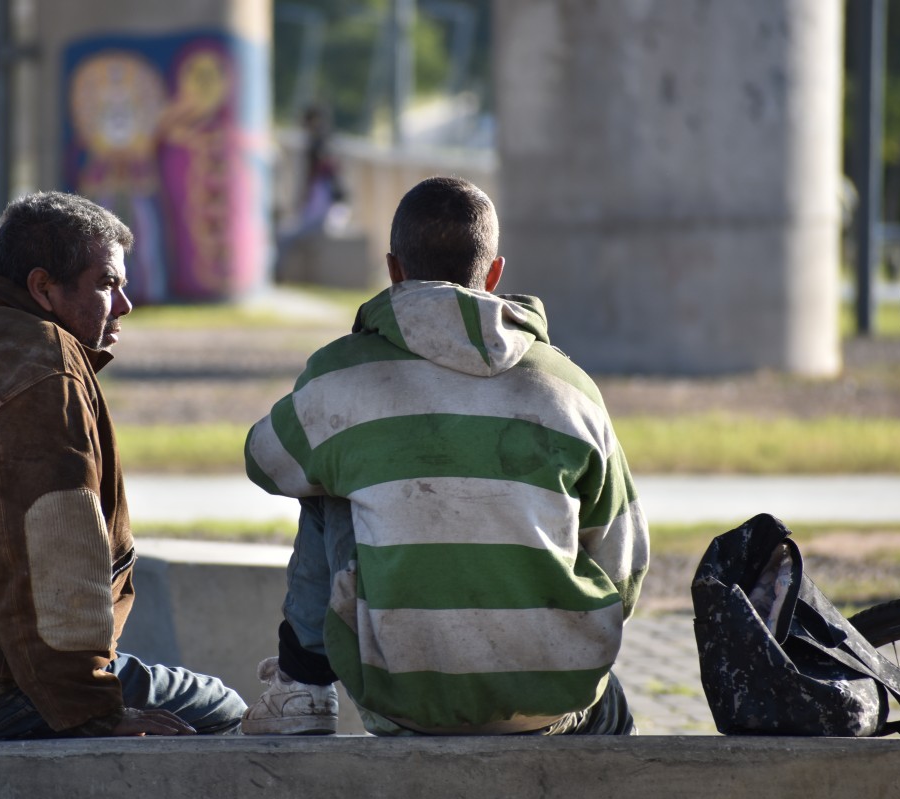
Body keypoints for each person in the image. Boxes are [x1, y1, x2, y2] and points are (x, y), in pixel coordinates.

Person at [241, 177, 649, 736]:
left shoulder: (345, 373)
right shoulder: (570, 386)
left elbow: (264, 463)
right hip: (553, 700)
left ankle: (301, 694)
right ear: (495, 273)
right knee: (615, 713)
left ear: (393, 268)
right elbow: (623, 565)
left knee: (322, 478)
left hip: (403, 698)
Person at [0, 191, 245, 739]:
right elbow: (52, 563)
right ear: (43, 287)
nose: (125, 304)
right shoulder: (44, 372)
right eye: (107, 284)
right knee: (223, 709)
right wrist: (92, 711)